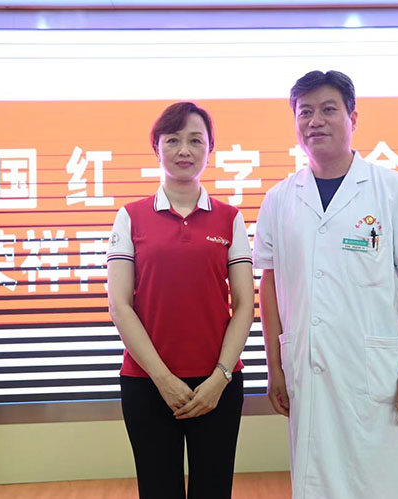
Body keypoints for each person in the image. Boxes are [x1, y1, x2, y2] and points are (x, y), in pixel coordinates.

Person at [253, 70, 398, 498]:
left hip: (378, 372)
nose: (315, 121)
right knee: (318, 479)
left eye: (328, 109)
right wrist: (275, 366)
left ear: (353, 117)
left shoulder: (392, 189)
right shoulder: (279, 199)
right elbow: (270, 286)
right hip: (307, 369)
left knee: (387, 480)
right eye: (305, 112)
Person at [106, 102, 255, 499]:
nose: (184, 150)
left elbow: (244, 305)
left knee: (213, 490)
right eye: (172, 140)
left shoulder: (230, 218)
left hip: (217, 386)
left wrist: (220, 378)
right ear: (156, 147)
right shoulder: (131, 216)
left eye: (195, 140)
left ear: (210, 148)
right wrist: (164, 379)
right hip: (147, 384)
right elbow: (120, 305)